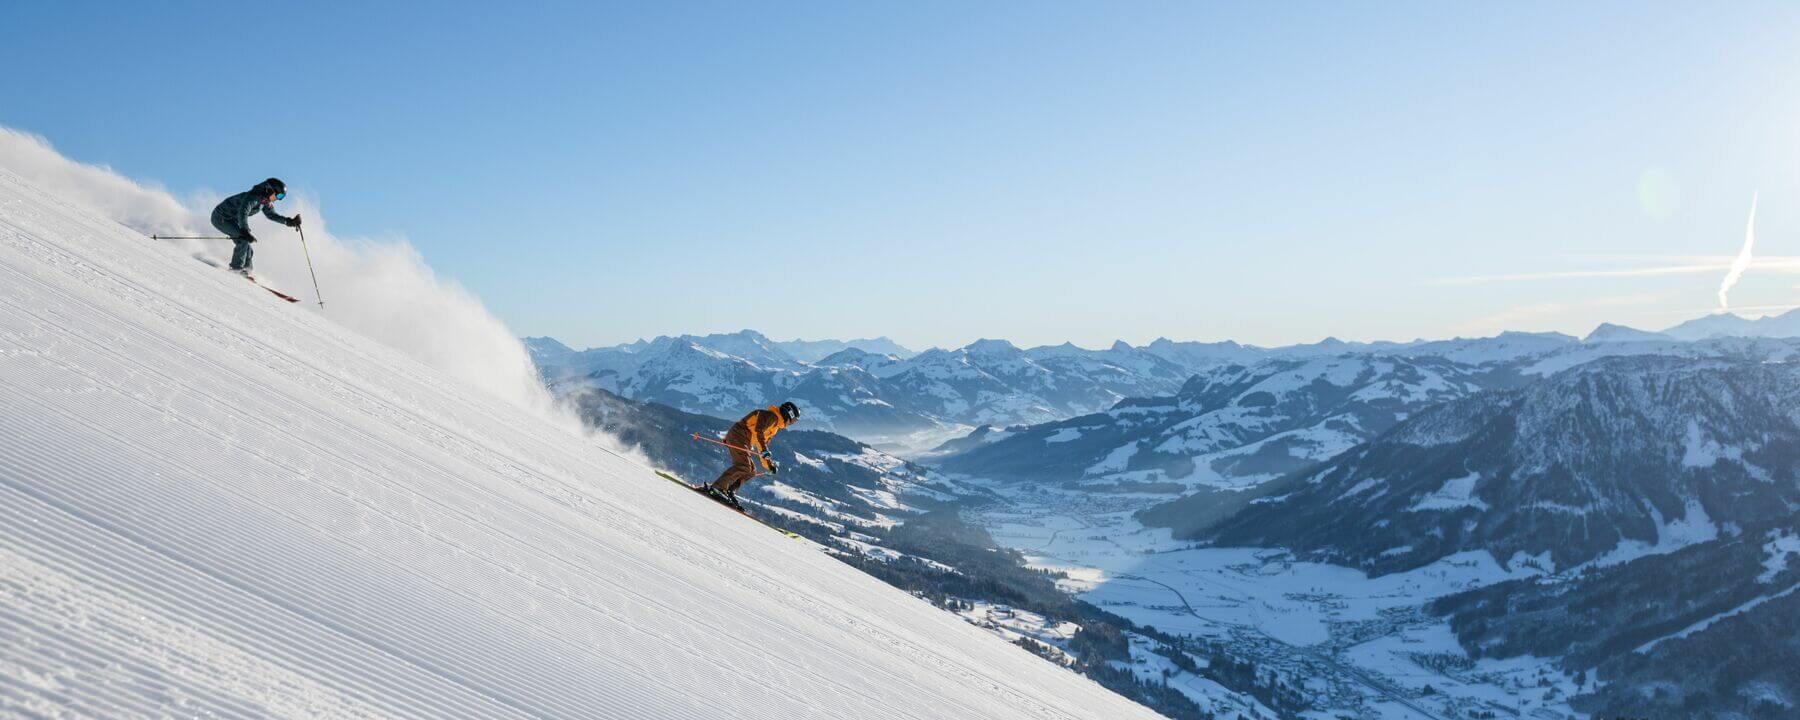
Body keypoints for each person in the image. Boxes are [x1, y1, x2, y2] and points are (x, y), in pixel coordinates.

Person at [708, 401, 801, 511]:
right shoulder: (770, 416)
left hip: (743, 440)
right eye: (793, 420)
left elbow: (762, 446)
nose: (791, 424)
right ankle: (718, 488)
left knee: (751, 471)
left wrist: (769, 465)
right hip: (738, 436)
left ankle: (729, 491)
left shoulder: (775, 426)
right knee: (744, 466)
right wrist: (765, 450)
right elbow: (759, 431)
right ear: (788, 414)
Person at [210, 178, 300, 276]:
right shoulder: (253, 197)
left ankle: (247, 272)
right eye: (278, 195)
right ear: (270, 190)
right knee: (243, 239)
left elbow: (272, 215)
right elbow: (243, 212)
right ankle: (236, 270)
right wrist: (244, 229)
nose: (278, 199)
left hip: (231, 220)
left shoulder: (264, 201)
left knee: (247, 247)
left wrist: (289, 221)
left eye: (281, 197)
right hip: (220, 217)